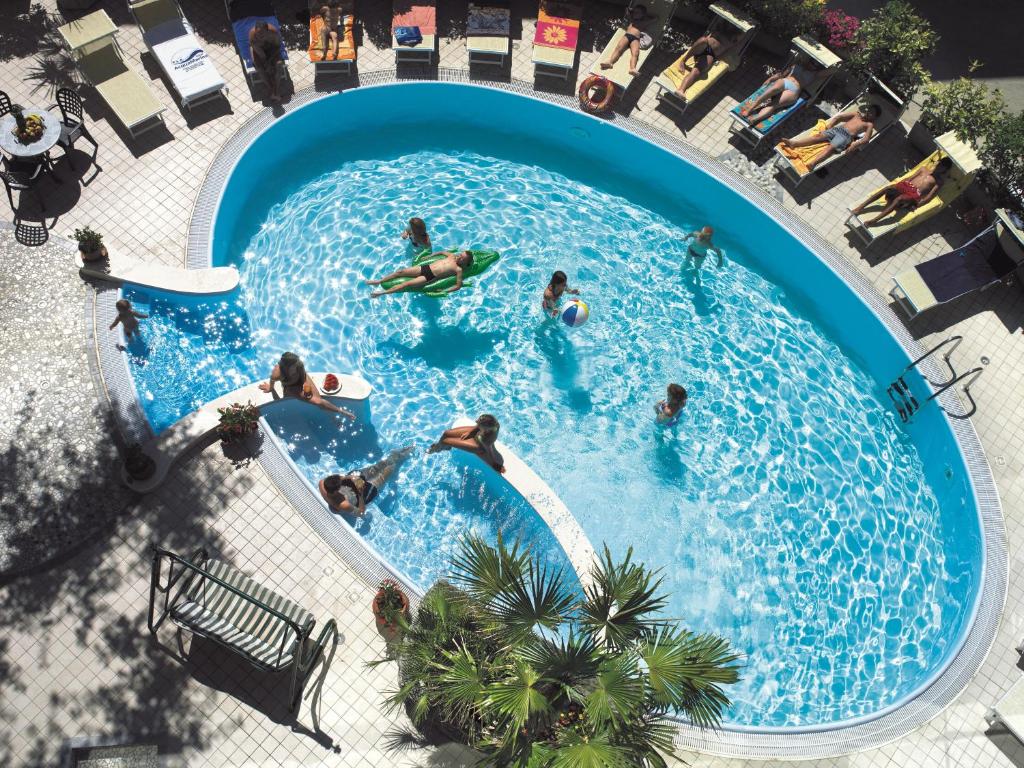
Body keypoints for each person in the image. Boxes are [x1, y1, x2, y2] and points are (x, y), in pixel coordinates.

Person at [851, 157, 954, 226]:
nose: (939, 167)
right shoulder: (923, 169)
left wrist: (917, 205)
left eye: (942, 167)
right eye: (939, 164)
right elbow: (909, 178)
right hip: (906, 187)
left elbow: (929, 197)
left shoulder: (939, 182)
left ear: (944, 170)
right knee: (887, 188)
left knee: (900, 198)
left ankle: (874, 220)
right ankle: (861, 207)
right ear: (937, 163)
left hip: (914, 196)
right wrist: (897, 186)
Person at [779, 104, 881, 171]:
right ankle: (794, 143)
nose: (869, 112)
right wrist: (830, 124)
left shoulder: (869, 125)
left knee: (830, 148)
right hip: (837, 129)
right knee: (817, 136)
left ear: (875, 117)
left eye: (872, 113)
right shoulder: (857, 114)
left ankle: (813, 163)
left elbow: (866, 139)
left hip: (846, 136)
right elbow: (840, 117)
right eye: (869, 110)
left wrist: (854, 145)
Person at [319, 445, 415, 516]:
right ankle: (400, 458)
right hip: (364, 492)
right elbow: (361, 513)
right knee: (387, 471)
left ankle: (396, 456)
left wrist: (350, 477)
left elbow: (338, 478)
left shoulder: (322, 483)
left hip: (354, 481)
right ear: (336, 490)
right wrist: (360, 493)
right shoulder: (343, 505)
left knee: (378, 466)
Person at [258, 351, 355, 418]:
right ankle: (334, 413)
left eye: (297, 366)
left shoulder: (299, 367)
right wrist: (271, 388)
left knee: (318, 402)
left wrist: (342, 411)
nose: (296, 368)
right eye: (293, 369)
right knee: (287, 400)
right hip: (291, 386)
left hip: (300, 381)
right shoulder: (277, 373)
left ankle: (336, 412)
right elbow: (272, 379)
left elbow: (319, 401)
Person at [738, 60, 824, 128]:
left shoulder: (815, 74)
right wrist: (771, 78)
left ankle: (755, 118)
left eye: (815, 66)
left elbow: (832, 70)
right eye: (812, 63)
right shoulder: (796, 64)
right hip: (785, 81)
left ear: (817, 68)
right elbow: (782, 74)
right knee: (770, 91)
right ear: (809, 61)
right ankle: (750, 109)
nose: (812, 66)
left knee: (773, 105)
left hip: (795, 90)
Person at [366, 250, 474, 297]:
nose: (459, 257)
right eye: (460, 255)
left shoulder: (458, 270)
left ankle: (380, 293)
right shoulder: (451, 256)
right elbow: (441, 252)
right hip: (425, 267)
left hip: (430, 276)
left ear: (465, 262)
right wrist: (429, 256)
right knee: (400, 272)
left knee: (406, 285)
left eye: (462, 258)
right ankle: (378, 281)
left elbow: (458, 286)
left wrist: (445, 290)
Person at [672, 28, 738, 103]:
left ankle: (681, 90)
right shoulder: (721, 28)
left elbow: (725, 53)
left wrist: (715, 60)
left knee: (697, 71)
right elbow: (708, 36)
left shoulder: (733, 41)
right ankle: (683, 60)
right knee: (703, 40)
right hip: (705, 46)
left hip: (711, 54)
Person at [428, 414, 505, 473]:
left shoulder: (486, 440)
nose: (476, 423)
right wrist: (470, 432)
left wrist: (496, 465)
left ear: (485, 429)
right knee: (446, 433)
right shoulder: (495, 424)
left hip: (478, 446)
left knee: (446, 441)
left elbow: (489, 451)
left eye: (479, 424)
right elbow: (479, 425)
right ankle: (446, 447)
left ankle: (436, 449)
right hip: (479, 434)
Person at [599, 4, 658, 77]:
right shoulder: (631, 19)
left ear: (643, 15)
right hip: (627, 36)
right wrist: (631, 10)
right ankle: (610, 62)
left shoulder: (644, 22)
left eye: (638, 13)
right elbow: (627, 10)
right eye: (634, 12)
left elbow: (656, 18)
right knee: (618, 49)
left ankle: (632, 69)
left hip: (635, 39)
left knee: (635, 53)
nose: (635, 14)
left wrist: (645, 15)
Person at [249, 21, 285, 103]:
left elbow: (278, 47)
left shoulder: (273, 33)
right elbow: (261, 54)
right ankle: (271, 88)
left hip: (272, 49)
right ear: (255, 31)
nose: (260, 36)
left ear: (267, 31)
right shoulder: (253, 37)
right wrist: (267, 65)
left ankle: (276, 89)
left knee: (279, 65)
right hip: (258, 50)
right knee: (259, 67)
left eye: (262, 34)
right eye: (258, 34)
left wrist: (270, 61)